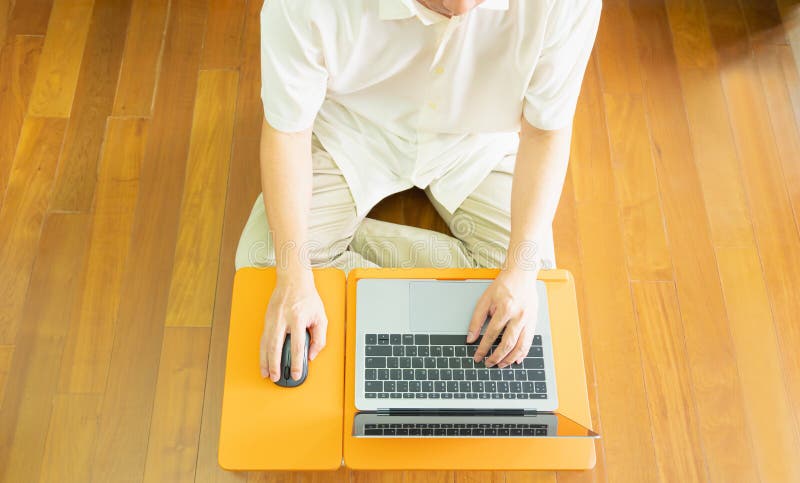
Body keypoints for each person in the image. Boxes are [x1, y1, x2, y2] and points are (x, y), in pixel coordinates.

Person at [236, 0, 601, 383]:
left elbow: (546, 131)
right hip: (354, 130)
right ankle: (322, 251)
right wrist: (296, 279)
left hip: (478, 139)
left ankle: (338, 246)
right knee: (263, 262)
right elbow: (288, 132)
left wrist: (519, 273)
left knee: (532, 279)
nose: (459, 6)